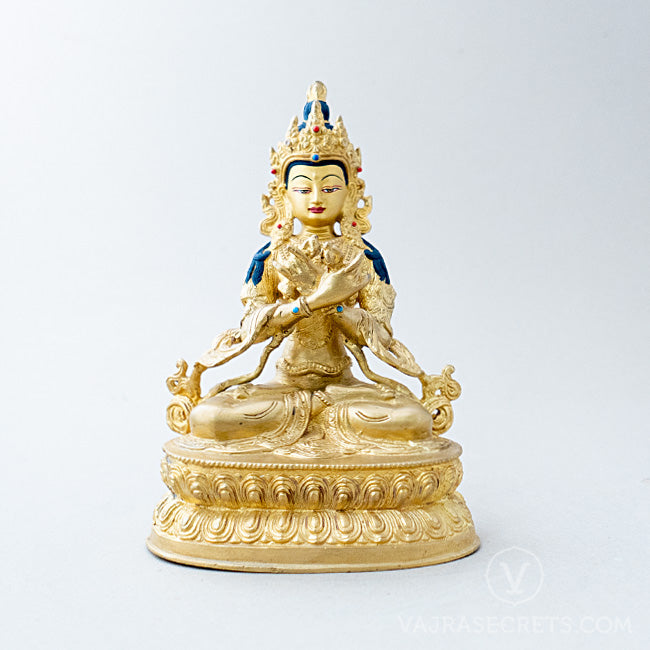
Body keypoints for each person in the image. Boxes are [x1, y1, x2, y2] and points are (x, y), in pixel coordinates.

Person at [167, 83, 454, 455]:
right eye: (303, 189)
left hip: (345, 389)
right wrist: (315, 301)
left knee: (412, 420)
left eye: (330, 188)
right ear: (284, 196)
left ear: (350, 194)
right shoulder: (269, 257)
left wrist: (338, 308)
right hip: (283, 388)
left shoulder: (365, 258)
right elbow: (252, 329)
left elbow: (380, 334)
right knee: (211, 418)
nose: (317, 198)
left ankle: (321, 429)